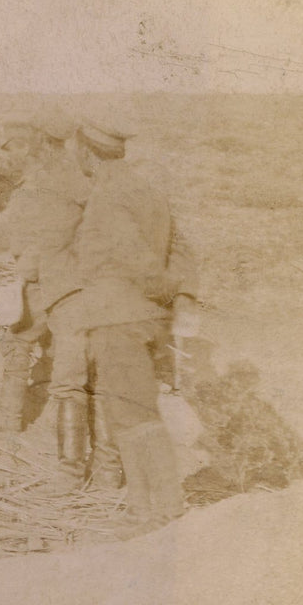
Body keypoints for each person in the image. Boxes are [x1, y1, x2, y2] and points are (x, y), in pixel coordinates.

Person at [47, 120, 198, 535]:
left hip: (119, 315)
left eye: (74, 150)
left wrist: (158, 289)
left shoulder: (108, 197)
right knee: (135, 409)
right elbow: (181, 248)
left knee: (130, 415)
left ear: (86, 152)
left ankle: (155, 510)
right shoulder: (148, 190)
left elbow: (136, 257)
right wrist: (176, 298)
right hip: (148, 318)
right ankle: (150, 506)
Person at [0, 113, 90, 455]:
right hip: (76, 279)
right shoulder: (73, 177)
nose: (10, 157)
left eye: (14, 149)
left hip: (51, 279)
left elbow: (14, 232)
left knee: (19, 339)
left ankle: (8, 421)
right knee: (67, 359)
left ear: (32, 147)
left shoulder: (40, 184)